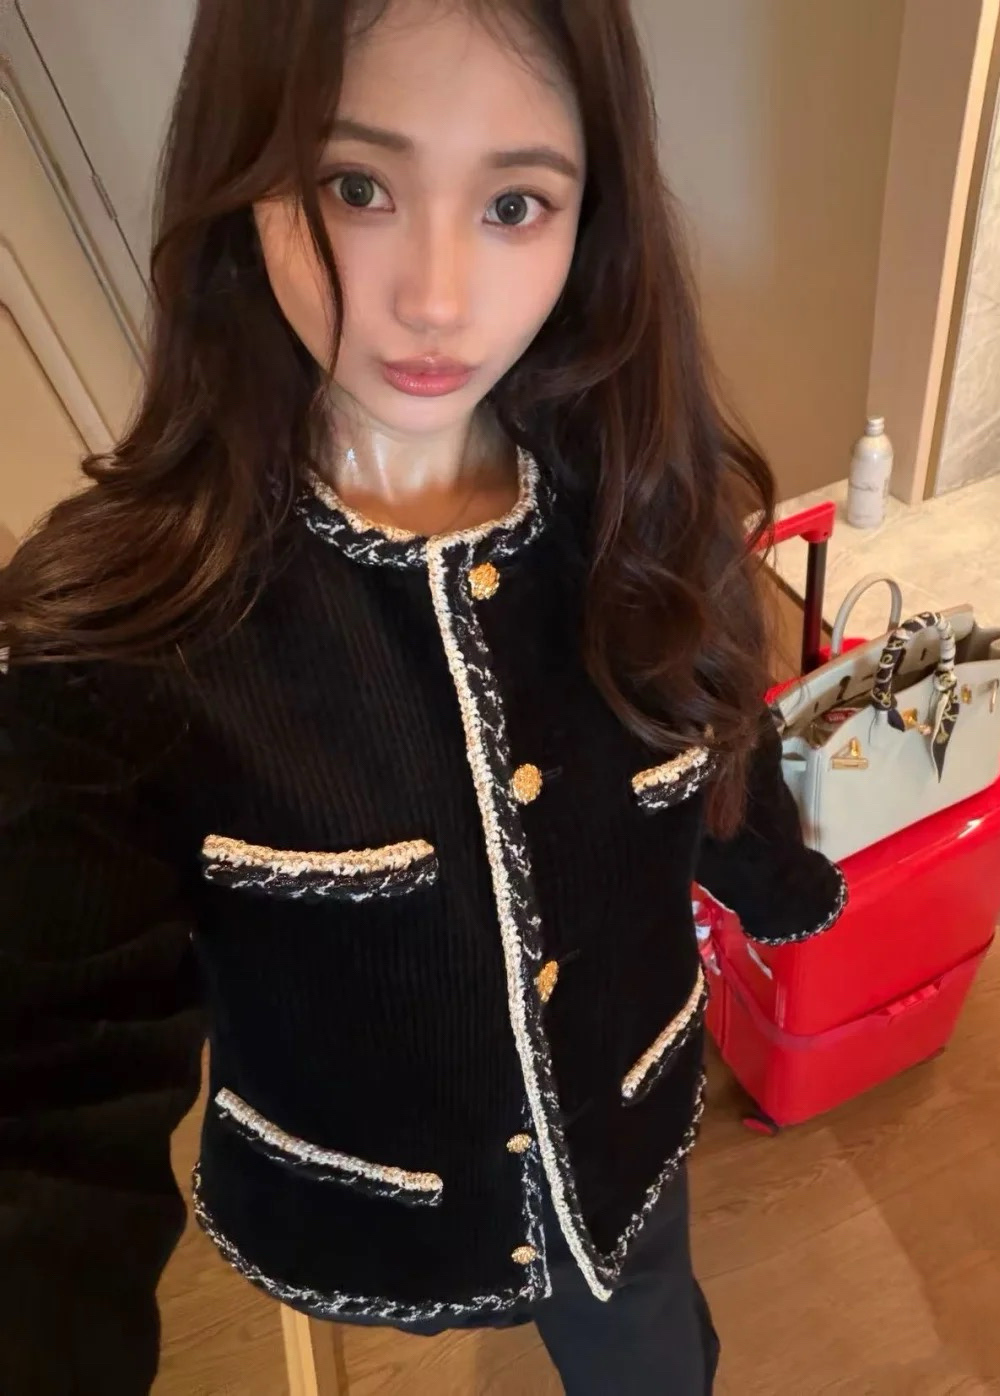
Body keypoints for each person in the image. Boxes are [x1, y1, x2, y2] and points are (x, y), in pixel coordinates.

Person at [0, 1, 847, 1391]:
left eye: (515, 204)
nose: (438, 300)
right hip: (357, 1220)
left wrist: (770, 868)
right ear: (245, 177)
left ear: (591, 220)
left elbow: (710, 736)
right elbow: (44, 1112)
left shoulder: (644, 505)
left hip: (625, 1146)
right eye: (356, 186)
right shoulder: (123, 636)